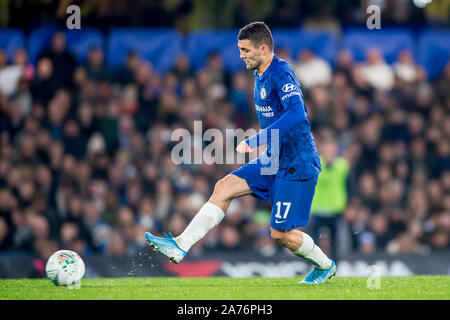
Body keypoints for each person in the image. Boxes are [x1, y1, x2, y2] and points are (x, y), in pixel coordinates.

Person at [145, 21, 336, 284]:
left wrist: (259, 138)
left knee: (280, 235)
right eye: (239, 49)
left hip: (296, 163)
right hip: (273, 159)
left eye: (245, 50)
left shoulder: (281, 72)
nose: (241, 55)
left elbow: (298, 114)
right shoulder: (259, 74)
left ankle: (325, 266)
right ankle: (180, 245)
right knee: (223, 187)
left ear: (264, 48)